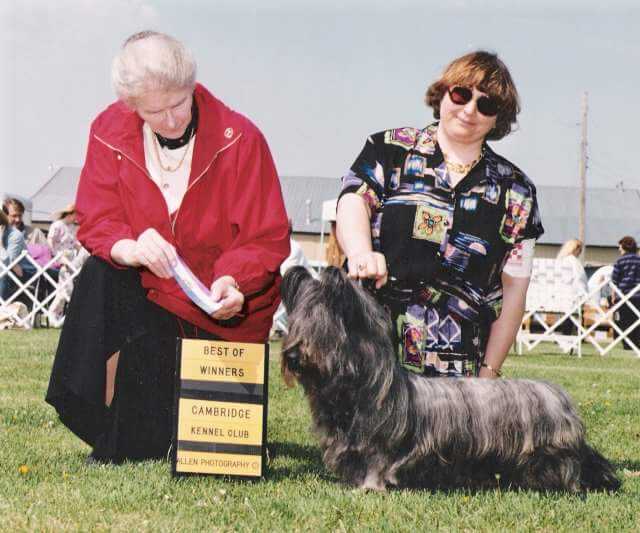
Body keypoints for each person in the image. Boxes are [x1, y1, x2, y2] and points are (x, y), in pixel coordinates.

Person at [46, 31, 290, 463]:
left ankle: (151, 428)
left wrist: (234, 281)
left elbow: (265, 237)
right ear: (130, 105)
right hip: (149, 293)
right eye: (153, 112)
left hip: (218, 313)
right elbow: (98, 218)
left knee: (158, 435)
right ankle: (103, 418)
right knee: (100, 274)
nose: (172, 120)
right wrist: (131, 248)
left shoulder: (242, 138)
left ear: (193, 85)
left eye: (178, 103)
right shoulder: (107, 132)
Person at [336, 51, 543, 379]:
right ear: (443, 92)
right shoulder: (389, 150)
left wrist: (489, 373)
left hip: (458, 376)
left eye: (486, 105)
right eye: (461, 94)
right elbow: (352, 202)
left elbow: (515, 292)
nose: (469, 110)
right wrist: (360, 251)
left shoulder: (517, 191)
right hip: (371, 354)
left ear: (498, 118)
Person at [611, 236, 640, 350]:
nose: (619, 249)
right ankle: (636, 343)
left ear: (624, 246)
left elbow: (614, 280)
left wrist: (613, 295)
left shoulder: (620, 261)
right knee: (636, 321)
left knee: (624, 321)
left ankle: (627, 344)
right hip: (638, 296)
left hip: (623, 295)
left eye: (620, 246)